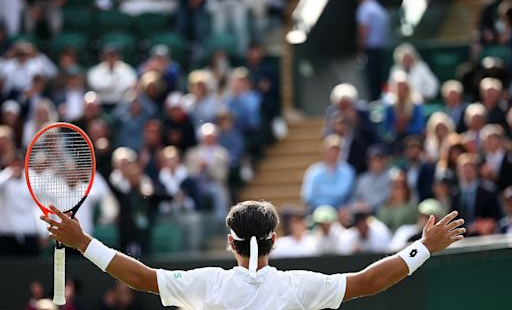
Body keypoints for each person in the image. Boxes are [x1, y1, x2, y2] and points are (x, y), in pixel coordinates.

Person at [41, 200, 465, 309]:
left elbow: (141, 276)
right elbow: (370, 281)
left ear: (230, 242)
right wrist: (424, 247)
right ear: (275, 240)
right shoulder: (299, 288)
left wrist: (83, 243)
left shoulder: (208, 285)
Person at [301, 134, 356, 210]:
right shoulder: (313, 170)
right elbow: (307, 196)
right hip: (316, 210)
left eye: (337, 150)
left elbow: (341, 193)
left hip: (339, 210)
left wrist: (320, 191)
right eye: (331, 150)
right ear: (324, 150)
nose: (333, 153)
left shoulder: (348, 171)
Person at [355, 0, 390, 101]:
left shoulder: (365, 9)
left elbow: (363, 29)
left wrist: (359, 47)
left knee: (372, 80)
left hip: (371, 50)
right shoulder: (381, 10)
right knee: (379, 78)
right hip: (381, 49)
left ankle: (375, 103)